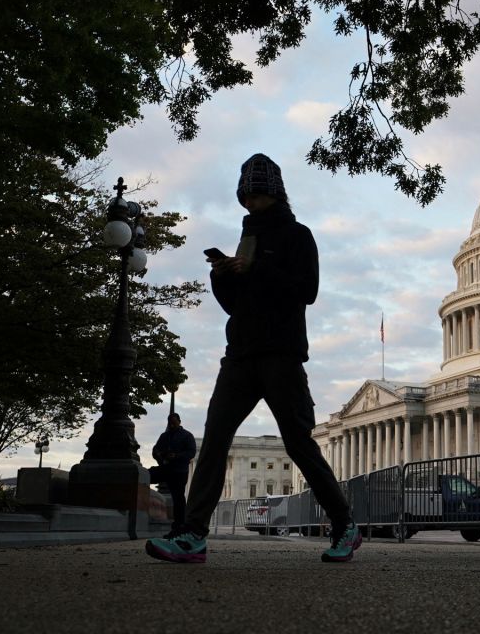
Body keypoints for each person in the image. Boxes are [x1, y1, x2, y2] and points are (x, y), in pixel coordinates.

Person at [145, 153, 360, 564]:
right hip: (240, 354)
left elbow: (307, 290)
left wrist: (256, 268)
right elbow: (236, 306)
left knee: (300, 445)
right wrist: (221, 277)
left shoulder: (299, 235)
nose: (251, 204)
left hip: (281, 354)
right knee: (212, 444)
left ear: (274, 194)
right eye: (246, 197)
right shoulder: (247, 237)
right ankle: (193, 533)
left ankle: (344, 523)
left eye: (258, 196)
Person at [151, 412, 196, 532]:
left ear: (179, 422)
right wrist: (159, 456)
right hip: (166, 468)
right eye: (170, 423)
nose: (171, 425)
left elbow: (191, 453)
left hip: (179, 471)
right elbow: (155, 449)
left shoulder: (187, 436)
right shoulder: (164, 436)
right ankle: (179, 524)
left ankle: (180, 525)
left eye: (173, 423)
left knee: (178, 498)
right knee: (146, 475)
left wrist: (176, 456)